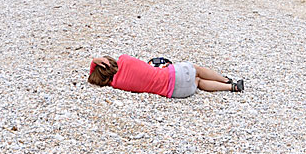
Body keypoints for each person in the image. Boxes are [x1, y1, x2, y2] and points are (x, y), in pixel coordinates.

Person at [88, 55, 243, 98]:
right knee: (197, 70)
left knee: (198, 82)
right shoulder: (124, 60)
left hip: (178, 93)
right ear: (107, 63)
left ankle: (232, 87)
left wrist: (94, 66)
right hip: (175, 74)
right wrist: (95, 60)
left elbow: (92, 77)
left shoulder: (116, 84)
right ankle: (227, 82)